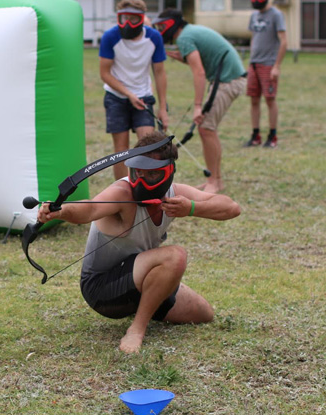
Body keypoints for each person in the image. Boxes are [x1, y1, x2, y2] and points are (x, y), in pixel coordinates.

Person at [37, 132, 241, 354]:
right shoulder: (122, 192)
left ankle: (148, 300)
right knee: (175, 256)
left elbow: (231, 207)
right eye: (137, 172)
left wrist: (191, 208)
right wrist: (61, 210)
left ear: (169, 172)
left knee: (204, 314)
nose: (141, 180)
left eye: (151, 175)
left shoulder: (176, 193)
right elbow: (91, 208)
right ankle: (137, 328)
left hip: (139, 279)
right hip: (102, 291)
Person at [152, 9, 247, 194]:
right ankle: (216, 179)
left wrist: (197, 106)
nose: (159, 30)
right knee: (208, 130)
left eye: (161, 26)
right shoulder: (190, 33)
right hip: (230, 78)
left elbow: (199, 72)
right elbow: (204, 60)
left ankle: (214, 181)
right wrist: (184, 59)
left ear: (172, 24)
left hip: (228, 81)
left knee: (206, 129)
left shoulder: (184, 38)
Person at [99, 0, 168, 180]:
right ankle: (122, 193)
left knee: (148, 149)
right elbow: (104, 73)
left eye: (133, 19)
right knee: (121, 151)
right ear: (118, 18)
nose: (128, 24)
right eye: (123, 18)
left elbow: (159, 73)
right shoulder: (110, 37)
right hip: (116, 98)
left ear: (142, 19)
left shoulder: (154, 38)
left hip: (143, 97)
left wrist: (162, 108)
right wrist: (128, 94)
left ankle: (145, 190)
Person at [245, 0, 287, 148]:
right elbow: (254, 38)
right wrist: (251, 59)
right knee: (254, 100)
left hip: (269, 64)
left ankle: (273, 135)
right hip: (254, 64)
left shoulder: (276, 15)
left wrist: (277, 66)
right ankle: (255, 135)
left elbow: (283, 41)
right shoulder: (254, 15)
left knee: (270, 100)